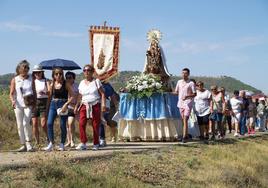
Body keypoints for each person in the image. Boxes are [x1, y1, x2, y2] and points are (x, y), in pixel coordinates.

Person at [74, 64, 106, 151]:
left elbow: (103, 94)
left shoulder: (96, 81)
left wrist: (103, 104)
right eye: (84, 70)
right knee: (81, 123)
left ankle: (96, 143)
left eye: (88, 70)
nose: (86, 72)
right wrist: (76, 106)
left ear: (92, 72)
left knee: (95, 124)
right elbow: (80, 96)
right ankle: (83, 142)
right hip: (84, 104)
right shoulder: (81, 83)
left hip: (95, 104)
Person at [43, 67, 74, 151]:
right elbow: (49, 97)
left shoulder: (66, 84)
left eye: (60, 73)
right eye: (56, 74)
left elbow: (72, 96)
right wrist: (47, 107)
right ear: (53, 75)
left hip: (63, 104)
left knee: (62, 125)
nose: (59, 75)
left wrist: (66, 104)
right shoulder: (52, 84)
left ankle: (62, 144)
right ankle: (51, 143)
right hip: (53, 104)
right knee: (49, 123)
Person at [9, 60, 34, 152]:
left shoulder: (32, 78)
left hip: (28, 104)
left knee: (26, 123)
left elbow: (34, 91)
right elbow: (11, 93)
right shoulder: (15, 79)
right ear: (19, 69)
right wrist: (13, 101)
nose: (26, 69)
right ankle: (23, 144)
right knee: (20, 125)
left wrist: (34, 102)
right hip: (18, 104)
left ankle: (29, 143)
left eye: (27, 68)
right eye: (24, 67)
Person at [174, 68, 196, 143]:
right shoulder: (179, 82)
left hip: (188, 103)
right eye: (182, 73)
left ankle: (184, 137)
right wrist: (168, 92)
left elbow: (194, 93)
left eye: (185, 73)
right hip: (180, 103)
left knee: (185, 119)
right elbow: (176, 92)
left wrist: (187, 96)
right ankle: (185, 134)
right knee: (183, 120)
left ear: (188, 74)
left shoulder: (191, 83)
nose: (184, 74)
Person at [31, 65, 49, 147]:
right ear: (33, 73)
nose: (37, 74)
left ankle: (48, 138)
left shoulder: (46, 81)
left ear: (42, 72)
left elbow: (50, 92)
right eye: (36, 72)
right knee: (34, 123)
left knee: (43, 124)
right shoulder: (32, 81)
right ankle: (37, 142)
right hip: (34, 102)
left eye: (39, 72)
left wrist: (45, 93)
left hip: (44, 102)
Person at [99, 81, 119, 146]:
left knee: (109, 122)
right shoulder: (94, 83)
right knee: (100, 121)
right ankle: (101, 138)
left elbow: (112, 95)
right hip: (95, 103)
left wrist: (116, 106)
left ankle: (112, 137)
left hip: (106, 104)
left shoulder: (107, 85)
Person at [64, 71, 79, 148]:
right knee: (68, 124)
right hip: (68, 107)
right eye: (67, 78)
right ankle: (69, 140)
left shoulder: (77, 86)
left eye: (70, 78)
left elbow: (80, 97)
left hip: (77, 106)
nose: (68, 79)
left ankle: (73, 140)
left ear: (74, 78)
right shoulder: (64, 86)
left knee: (71, 123)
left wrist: (77, 106)